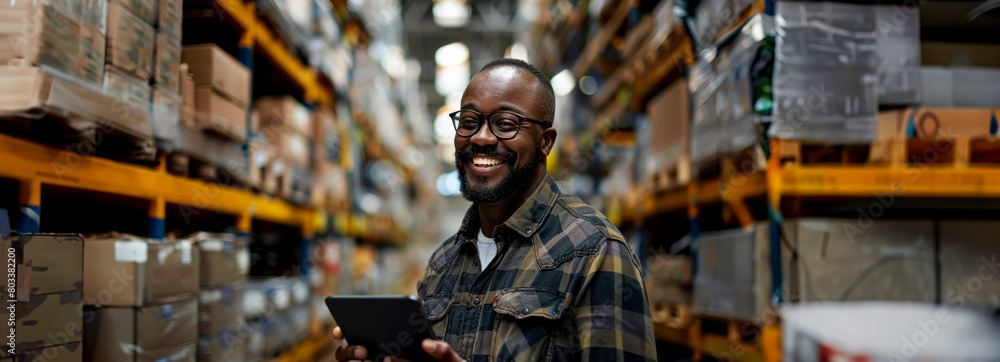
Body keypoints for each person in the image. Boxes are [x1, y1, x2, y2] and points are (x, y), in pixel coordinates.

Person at [333, 58, 656, 361]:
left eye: (505, 123)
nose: (482, 137)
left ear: (545, 142)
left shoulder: (595, 251)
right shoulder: (443, 264)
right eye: (470, 121)